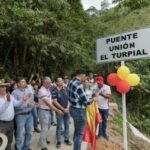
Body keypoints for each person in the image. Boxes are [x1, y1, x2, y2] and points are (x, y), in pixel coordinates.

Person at [68, 68, 96, 150]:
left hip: (73, 108)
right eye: (85, 75)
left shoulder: (71, 82)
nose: (85, 77)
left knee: (77, 132)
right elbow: (86, 102)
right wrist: (93, 99)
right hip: (79, 111)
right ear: (82, 74)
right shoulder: (78, 85)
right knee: (79, 134)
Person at [0, 80, 28, 150]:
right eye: (2, 86)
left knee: (9, 141)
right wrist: (7, 102)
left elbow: (17, 104)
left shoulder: (9, 95)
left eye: (4, 86)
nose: (4, 88)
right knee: (2, 142)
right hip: (2, 124)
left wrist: (23, 99)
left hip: (11, 122)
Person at [38, 77, 64, 150]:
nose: (50, 84)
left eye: (50, 82)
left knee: (47, 127)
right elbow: (49, 103)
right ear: (45, 83)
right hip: (43, 112)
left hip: (48, 112)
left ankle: (42, 139)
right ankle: (43, 146)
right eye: (49, 83)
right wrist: (58, 110)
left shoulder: (47, 89)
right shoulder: (42, 91)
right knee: (44, 129)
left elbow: (51, 100)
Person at [12, 77, 36, 150]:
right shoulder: (14, 93)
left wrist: (33, 105)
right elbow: (15, 106)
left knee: (29, 133)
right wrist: (26, 105)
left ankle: (26, 147)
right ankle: (19, 148)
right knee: (19, 134)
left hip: (29, 114)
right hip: (20, 115)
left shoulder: (28, 90)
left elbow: (32, 101)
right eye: (22, 82)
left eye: (25, 81)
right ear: (18, 84)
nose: (25, 83)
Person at [52, 77, 72, 148]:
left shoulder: (66, 89)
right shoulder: (54, 90)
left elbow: (69, 99)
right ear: (57, 83)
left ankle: (66, 139)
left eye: (62, 81)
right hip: (59, 111)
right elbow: (55, 101)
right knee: (59, 127)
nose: (62, 82)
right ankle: (59, 141)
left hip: (67, 110)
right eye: (60, 81)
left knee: (67, 125)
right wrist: (63, 109)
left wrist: (68, 107)